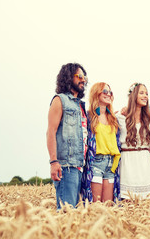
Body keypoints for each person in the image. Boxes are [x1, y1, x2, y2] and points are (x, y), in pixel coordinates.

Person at [46, 63, 88, 210]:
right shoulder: (60, 100)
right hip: (66, 166)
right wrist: (53, 162)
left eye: (85, 77)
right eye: (80, 76)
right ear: (69, 77)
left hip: (79, 166)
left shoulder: (80, 105)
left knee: (75, 217)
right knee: (67, 214)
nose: (84, 80)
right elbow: (51, 131)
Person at [81, 82, 121, 202]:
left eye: (110, 92)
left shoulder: (113, 118)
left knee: (108, 207)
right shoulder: (89, 116)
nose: (108, 94)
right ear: (96, 94)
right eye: (105, 91)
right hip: (96, 163)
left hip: (111, 165)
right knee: (96, 206)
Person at [116, 83, 150, 200]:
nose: (145, 96)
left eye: (147, 94)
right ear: (133, 96)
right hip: (128, 161)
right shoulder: (120, 117)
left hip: (144, 162)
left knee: (147, 203)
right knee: (127, 201)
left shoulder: (148, 119)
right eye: (142, 93)